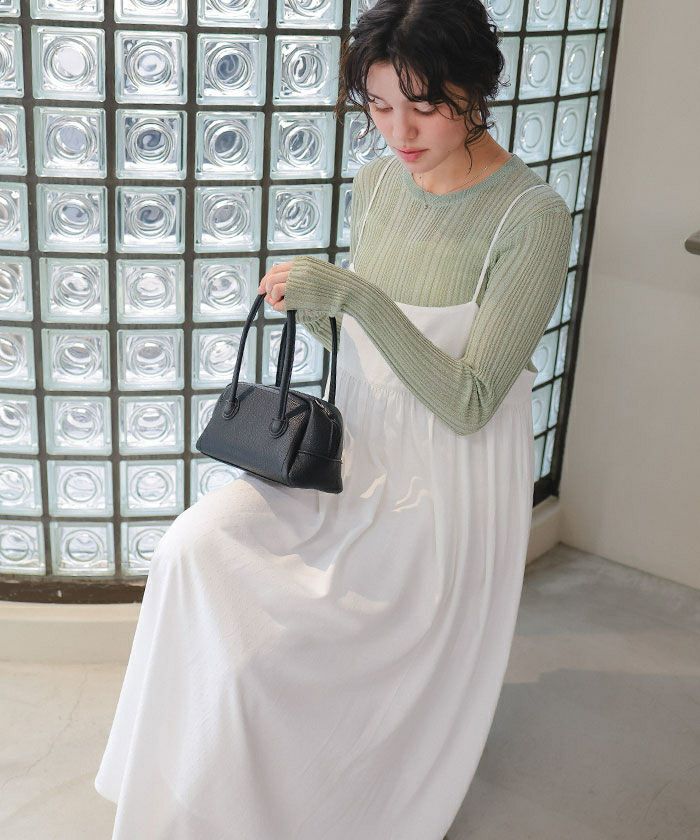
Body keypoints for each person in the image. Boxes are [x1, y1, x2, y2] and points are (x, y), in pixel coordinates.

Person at [94, 1, 573, 838]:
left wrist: (354, 295)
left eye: (424, 106)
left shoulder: (530, 218)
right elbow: (365, 349)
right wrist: (313, 303)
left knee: (279, 653)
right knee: (190, 549)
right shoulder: (379, 182)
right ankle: (187, 801)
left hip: (444, 490)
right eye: (379, 106)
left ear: (475, 88)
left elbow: (468, 401)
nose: (399, 131)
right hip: (351, 455)